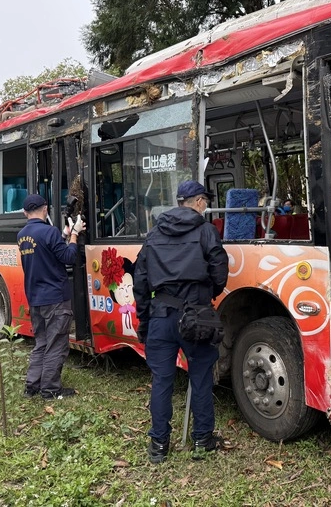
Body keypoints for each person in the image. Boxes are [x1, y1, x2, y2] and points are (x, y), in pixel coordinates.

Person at [133, 180, 229, 463]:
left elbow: (140, 282)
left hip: (160, 317)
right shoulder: (206, 231)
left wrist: (144, 320)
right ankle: (202, 440)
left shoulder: (152, 235)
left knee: (161, 381)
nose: (207, 205)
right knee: (199, 378)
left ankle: (159, 446)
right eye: (206, 201)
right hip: (196, 319)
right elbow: (220, 272)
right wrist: (204, 296)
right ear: (198, 201)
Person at [16, 194, 85, 400]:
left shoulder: (22, 235)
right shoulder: (49, 231)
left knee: (42, 342)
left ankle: (32, 385)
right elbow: (68, 257)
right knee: (56, 344)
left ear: (25, 212)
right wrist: (74, 235)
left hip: (35, 297)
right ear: (45, 209)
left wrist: (62, 237)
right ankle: (50, 390)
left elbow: (45, 254)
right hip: (55, 297)